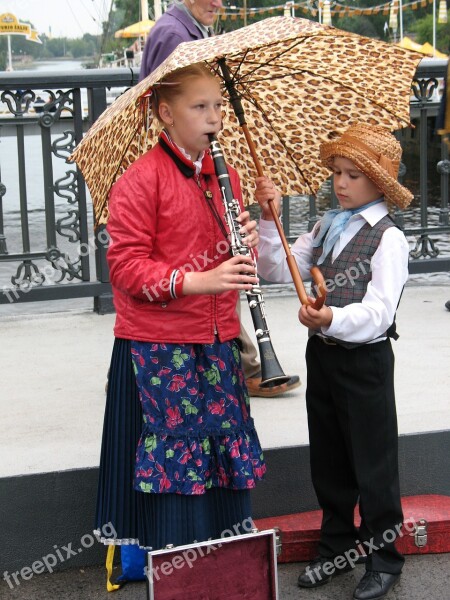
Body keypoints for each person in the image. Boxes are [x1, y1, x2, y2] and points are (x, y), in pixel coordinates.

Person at [96, 64, 266, 555]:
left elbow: (232, 263)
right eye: (200, 107)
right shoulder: (139, 179)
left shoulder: (224, 175)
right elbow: (126, 270)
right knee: (178, 459)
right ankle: (177, 565)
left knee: (220, 451)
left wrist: (250, 242)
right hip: (159, 347)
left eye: (218, 106)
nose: (214, 117)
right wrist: (197, 280)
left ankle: (225, 565)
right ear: (165, 114)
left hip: (217, 341)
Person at [255, 123, 413, 600]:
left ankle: (384, 559)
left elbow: (379, 314)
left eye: (353, 176)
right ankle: (336, 548)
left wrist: (330, 317)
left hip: (365, 363)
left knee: (374, 465)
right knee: (329, 462)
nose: (340, 183)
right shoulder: (327, 225)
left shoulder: (389, 240)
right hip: (322, 358)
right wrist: (269, 219)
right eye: (337, 173)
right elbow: (278, 268)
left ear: (380, 184)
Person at [138, 0, 301, 397]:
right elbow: (165, 101)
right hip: (178, 166)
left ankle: (240, 359)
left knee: (224, 251)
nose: (219, 2)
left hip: (194, 161)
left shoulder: (192, 30)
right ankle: (241, 362)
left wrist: (261, 218)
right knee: (202, 259)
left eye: (218, 107)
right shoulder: (174, 34)